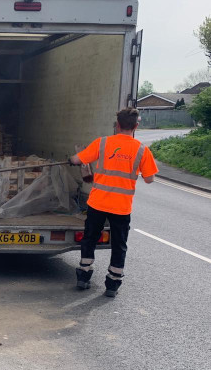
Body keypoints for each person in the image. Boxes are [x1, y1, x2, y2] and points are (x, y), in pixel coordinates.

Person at [68, 107, 158, 297]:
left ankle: (83, 277)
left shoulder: (102, 144)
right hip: (121, 207)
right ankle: (112, 284)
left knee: (90, 238)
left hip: (97, 203)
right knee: (119, 244)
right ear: (136, 126)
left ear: (117, 125)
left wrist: (70, 160)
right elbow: (150, 179)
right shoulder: (142, 150)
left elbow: (78, 159)